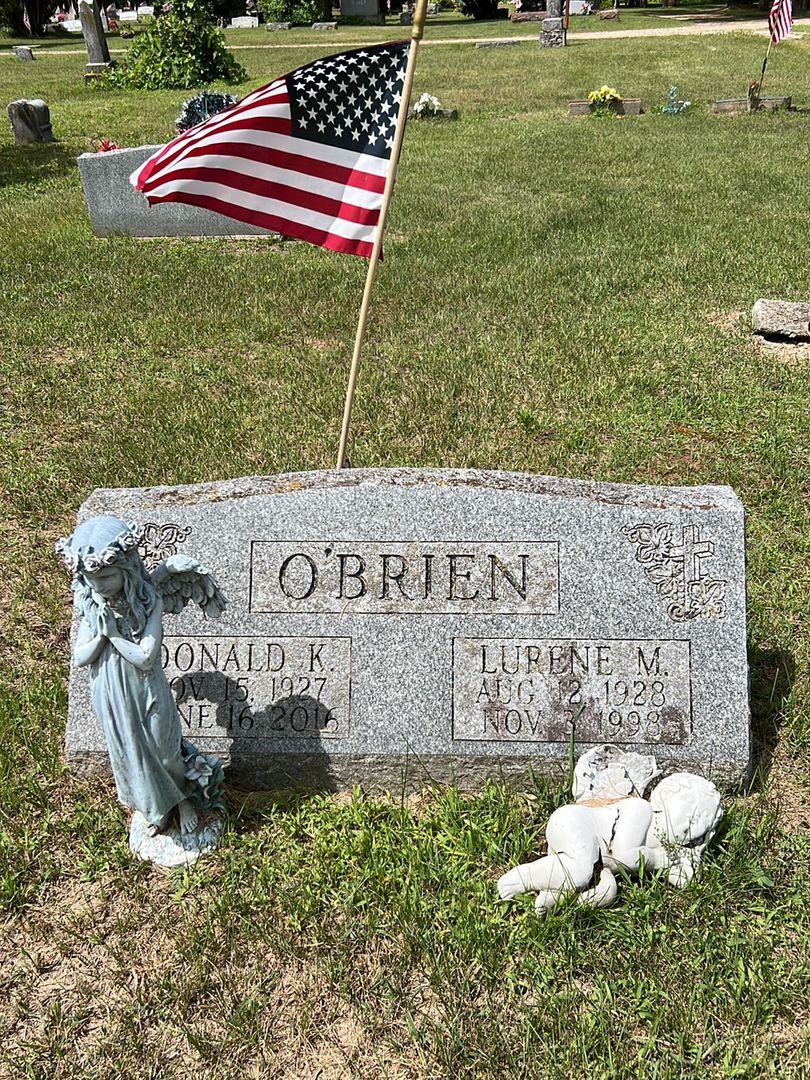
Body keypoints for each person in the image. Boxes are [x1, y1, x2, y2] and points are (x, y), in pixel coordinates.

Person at [57, 516, 224, 838]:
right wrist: (101, 635)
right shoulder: (93, 604)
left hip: (147, 689)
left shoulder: (150, 601)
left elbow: (146, 658)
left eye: (106, 576)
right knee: (130, 753)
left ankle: (186, 800)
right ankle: (157, 807)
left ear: (127, 570)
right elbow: (79, 657)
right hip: (110, 689)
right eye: (92, 578)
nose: (99, 585)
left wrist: (113, 635)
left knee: (166, 753)